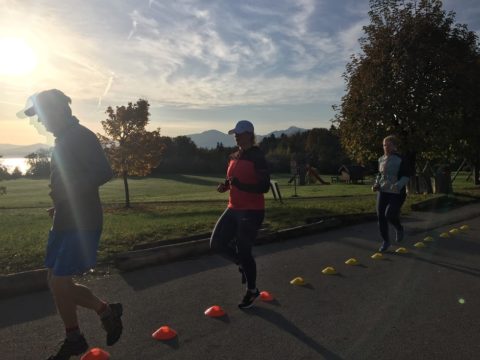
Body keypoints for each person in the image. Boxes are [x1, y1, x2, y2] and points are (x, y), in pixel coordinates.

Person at [20, 89, 122, 359]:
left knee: (61, 281)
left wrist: (69, 195)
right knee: (55, 281)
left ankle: (74, 337)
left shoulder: (80, 136)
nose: (39, 121)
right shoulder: (64, 139)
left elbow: (103, 171)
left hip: (83, 221)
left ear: (56, 110)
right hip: (66, 218)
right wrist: (61, 204)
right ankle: (105, 310)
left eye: (40, 115)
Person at [210, 120, 270, 309]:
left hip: (251, 211)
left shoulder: (257, 156)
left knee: (245, 251)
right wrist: (225, 186)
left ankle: (252, 291)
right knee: (216, 244)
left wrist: (239, 185)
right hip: (233, 207)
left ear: (249, 135)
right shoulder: (234, 156)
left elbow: (264, 187)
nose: (236, 136)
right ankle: (242, 264)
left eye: (239, 133)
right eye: (235, 133)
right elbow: (231, 179)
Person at [372, 135, 410, 252]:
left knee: (390, 214)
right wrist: (376, 184)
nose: (386, 147)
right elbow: (379, 175)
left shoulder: (401, 159)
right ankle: (386, 241)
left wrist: (397, 186)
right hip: (383, 191)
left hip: (397, 193)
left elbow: (406, 176)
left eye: (388, 145)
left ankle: (399, 228)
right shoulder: (381, 159)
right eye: (384, 145)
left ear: (395, 146)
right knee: (381, 216)